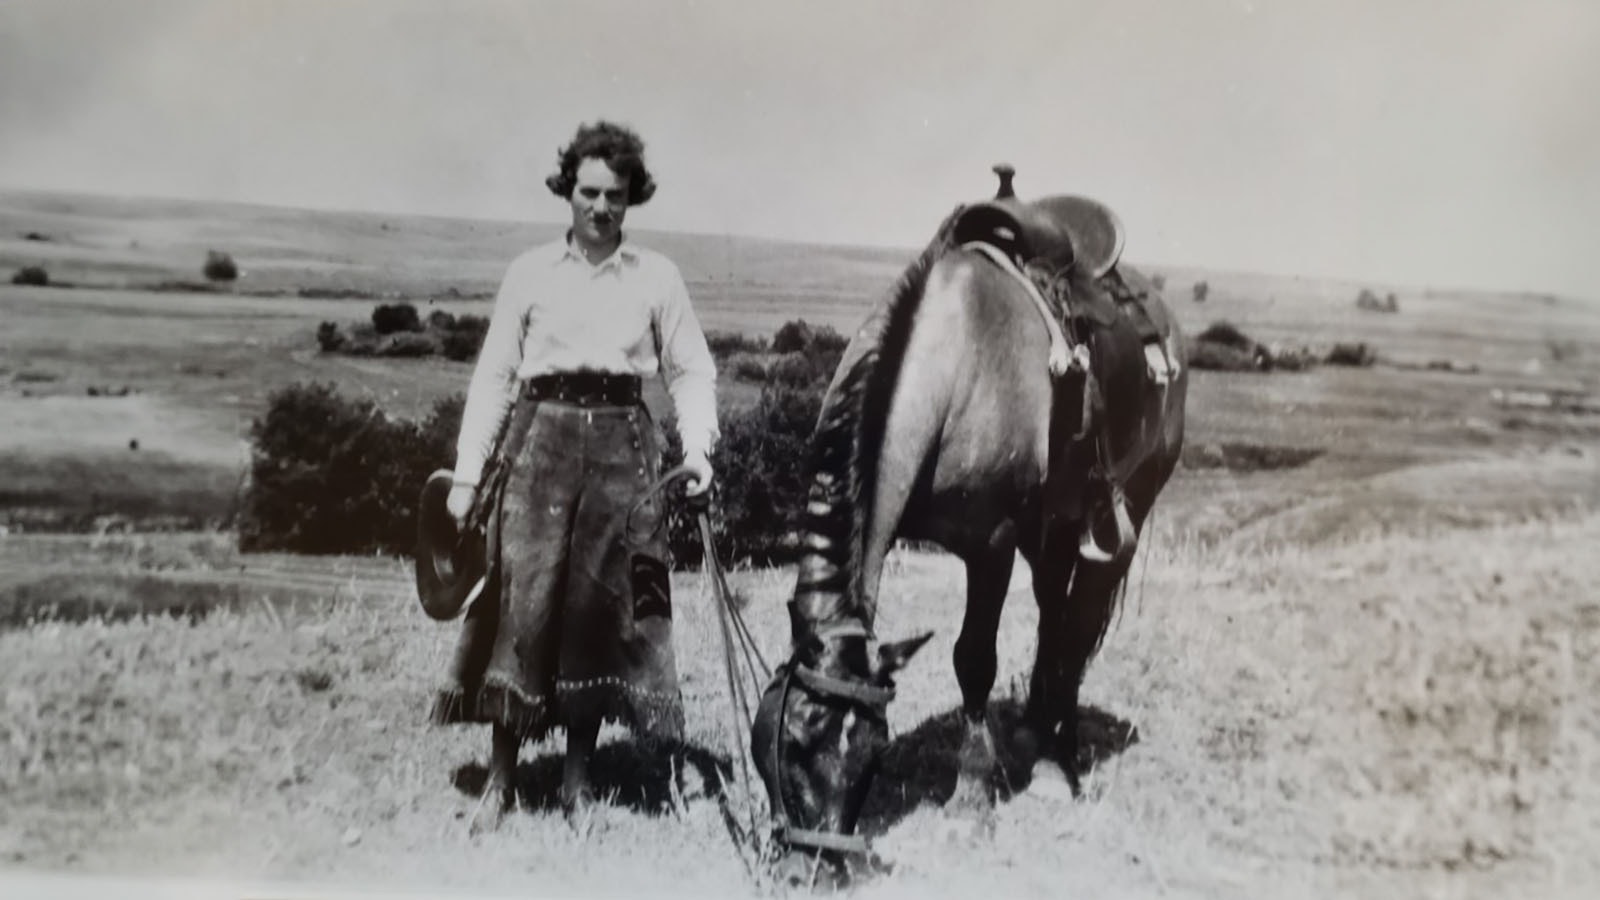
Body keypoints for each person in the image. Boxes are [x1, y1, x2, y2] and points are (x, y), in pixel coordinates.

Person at [430, 120, 718, 829]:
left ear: (631, 199)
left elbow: (691, 370)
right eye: (588, 192)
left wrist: (699, 449)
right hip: (539, 446)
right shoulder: (529, 273)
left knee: (600, 609)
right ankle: (500, 781)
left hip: (624, 447)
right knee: (521, 606)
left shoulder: (658, 277)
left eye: (614, 195)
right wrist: (468, 477)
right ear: (568, 190)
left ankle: (576, 784)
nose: (600, 206)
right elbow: (496, 375)